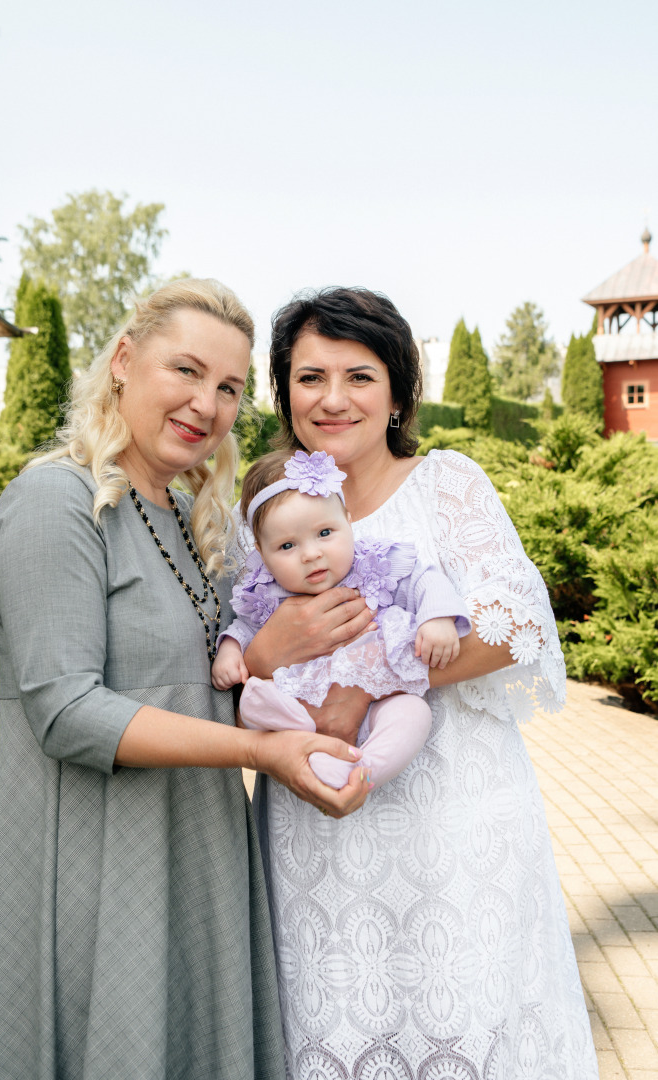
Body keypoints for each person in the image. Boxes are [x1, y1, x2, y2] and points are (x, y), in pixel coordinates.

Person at [0, 279, 371, 1080]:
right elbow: (68, 712)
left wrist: (270, 660)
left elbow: (192, 681)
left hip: (195, 855)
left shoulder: (192, 520)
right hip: (96, 868)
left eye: (227, 388)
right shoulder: (58, 501)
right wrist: (266, 754)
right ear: (123, 360)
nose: (205, 404)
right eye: (184, 370)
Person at [240, 287, 599, 1079]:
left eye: (359, 376)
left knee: (464, 1018)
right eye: (309, 378)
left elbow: (519, 625)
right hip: (316, 823)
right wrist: (269, 649)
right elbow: (237, 653)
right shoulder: (259, 508)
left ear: (399, 390)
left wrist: (365, 685)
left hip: (454, 818)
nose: (333, 399)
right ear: (283, 391)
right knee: (330, 1016)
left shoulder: (446, 482)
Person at [212, 448, 472, 789]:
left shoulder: (374, 565)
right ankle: (305, 733)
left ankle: (363, 770)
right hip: (303, 702)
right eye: (287, 546)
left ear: (348, 520)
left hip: (380, 699)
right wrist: (230, 650)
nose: (311, 554)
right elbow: (244, 627)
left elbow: (424, 580)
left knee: (414, 714)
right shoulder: (266, 591)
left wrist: (436, 618)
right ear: (261, 552)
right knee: (253, 699)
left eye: (324, 533)